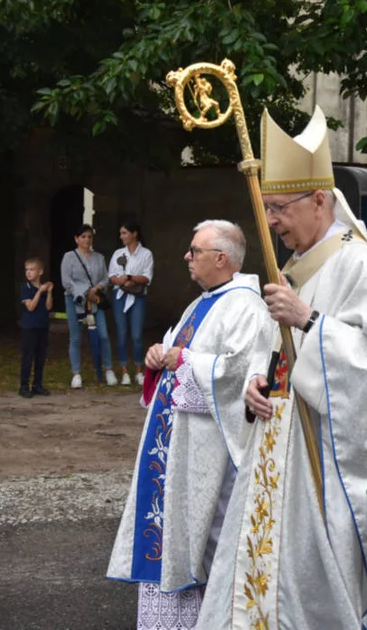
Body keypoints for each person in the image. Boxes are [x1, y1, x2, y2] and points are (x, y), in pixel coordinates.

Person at [198, 107, 367, 629]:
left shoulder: (360, 263)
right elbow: (278, 352)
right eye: (268, 207)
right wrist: (260, 384)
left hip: (328, 457)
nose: (271, 220)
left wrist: (311, 320)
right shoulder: (294, 265)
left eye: (279, 208)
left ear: (319, 200)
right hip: (281, 453)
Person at [108, 219, 274, 630]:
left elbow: (240, 373)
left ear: (221, 258)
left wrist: (181, 360)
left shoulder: (245, 306)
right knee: (175, 533)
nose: (186, 257)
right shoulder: (203, 301)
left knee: (205, 542)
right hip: (177, 448)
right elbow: (179, 350)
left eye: (194, 251)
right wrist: (157, 354)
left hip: (210, 453)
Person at [61, 224, 118, 388]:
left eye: (89, 237)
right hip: (75, 300)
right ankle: (76, 373)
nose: (86, 240)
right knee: (76, 337)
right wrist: (86, 292)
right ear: (76, 239)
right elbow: (66, 282)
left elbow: (105, 278)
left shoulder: (99, 257)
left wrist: (97, 289)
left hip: (95, 302)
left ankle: (108, 369)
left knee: (103, 334)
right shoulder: (69, 257)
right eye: (83, 236)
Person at [109, 221, 154, 386]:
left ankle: (139, 370)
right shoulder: (118, 253)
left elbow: (147, 277)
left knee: (136, 335)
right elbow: (112, 276)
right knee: (121, 334)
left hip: (138, 297)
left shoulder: (146, 254)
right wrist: (121, 282)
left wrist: (130, 278)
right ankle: (124, 371)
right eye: (121, 233)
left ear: (134, 234)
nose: (121, 236)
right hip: (120, 296)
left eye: (124, 233)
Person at [19, 256, 54, 398]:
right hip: (29, 327)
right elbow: (31, 307)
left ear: (40, 272)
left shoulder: (45, 287)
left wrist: (49, 291)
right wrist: (39, 291)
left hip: (42, 326)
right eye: (27, 270)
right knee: (28, 357)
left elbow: (49, 307)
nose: (28, 272)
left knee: (40, 357)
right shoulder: (25, 288)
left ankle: (37, 384)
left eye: (32, 270)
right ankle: (24, 386)